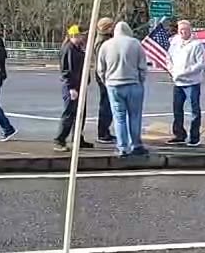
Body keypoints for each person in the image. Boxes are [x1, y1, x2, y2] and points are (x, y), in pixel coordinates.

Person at [101, 21, 148, 156]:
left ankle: (122, 147)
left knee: (119, 117)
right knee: (135, 116)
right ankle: (136, 145)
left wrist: (107, 81)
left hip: (114, 85)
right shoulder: (135, 44)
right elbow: (143, 66)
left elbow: (100, 69)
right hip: (133, 84)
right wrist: (140, 80)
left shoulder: (106, 45)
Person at [167, 19, 205, 146]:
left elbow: (201, 63)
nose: (183, 33)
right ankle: (179, 134)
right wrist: (172, 71)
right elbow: (168, 58)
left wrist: (185, 72)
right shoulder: (175, 43)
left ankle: (194, 137)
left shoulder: (197, 45)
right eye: (180, 30)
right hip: (178, 82)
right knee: (177, 109)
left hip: (192, 82)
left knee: (194, 110)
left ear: (190, 30)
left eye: (185, 30)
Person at [54, 24, 94, 152]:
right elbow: (66, 70)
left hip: (79, 85)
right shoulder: (68, 49)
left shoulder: (77, 48)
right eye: (81, 35)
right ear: (74, 35)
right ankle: (59, 140)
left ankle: (77, 137)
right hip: (72, 86)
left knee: (80, 114)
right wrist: (71, 87)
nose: (83, 37)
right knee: (69, 114)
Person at [93, 17, 115, 144]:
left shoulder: (106, 39)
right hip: (104, 75)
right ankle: (103, 132)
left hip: (105, 74)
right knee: (106, 104)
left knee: (107, 104)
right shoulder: (102, 41)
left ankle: (105, 131)